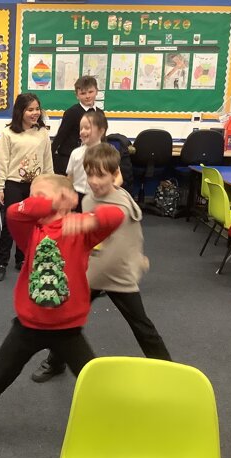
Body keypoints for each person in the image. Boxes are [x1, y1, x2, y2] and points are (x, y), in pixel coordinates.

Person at [0, 174, 125, 441]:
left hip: (67, 328)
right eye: (32, 196)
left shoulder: (81, 231)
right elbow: (15, 211)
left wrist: (84, 219)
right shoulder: (30, 231)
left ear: (69, 199)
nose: (33, 201)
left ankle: (107, 423)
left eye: (40, 195)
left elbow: (116, 216)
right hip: (28, 326)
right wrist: (50, 202)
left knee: (91, 378)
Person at [30, 143, 172, 383]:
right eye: (90, 175)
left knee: (142, 326)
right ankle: (56, 362)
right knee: (68, 321)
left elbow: (132, 235)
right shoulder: (88, 200)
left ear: (114, 175)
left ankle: (168, 373)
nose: (94, 182)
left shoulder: (121, 205)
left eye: (101, 175)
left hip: (119, 276)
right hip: (93, 274)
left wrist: (137, 259)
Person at [0, 93, 53, 282]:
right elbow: (1, 161)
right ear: (21, 111)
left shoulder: (42, 133)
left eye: (37, 109)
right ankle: (2, 263)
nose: (35, 113)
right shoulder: (8, 133)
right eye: (30, 110)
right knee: (10, 224)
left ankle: (22, 259)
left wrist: (50, 184)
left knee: (31, 225)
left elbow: (47, 160)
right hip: (13, 184)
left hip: (35, 186)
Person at [52, 76, 98, 175]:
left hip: (91, 158)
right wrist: (50, 158)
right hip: (69, 159)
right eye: (83, 93)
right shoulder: (71, 113)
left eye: (90, 92)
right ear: (77, 95)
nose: (87, 96)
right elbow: (60, 136)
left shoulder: (99, 113)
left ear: (96, 91)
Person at [65, 108, 108, 208]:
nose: (82, 131)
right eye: (81, 128)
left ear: (101, 131)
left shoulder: (107, 153)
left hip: (98, 197)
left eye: (87, 128)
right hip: (77, 195)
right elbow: (70, 177)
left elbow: (117, 177)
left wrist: (107, 193)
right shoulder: (76, 153)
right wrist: (68, 193)